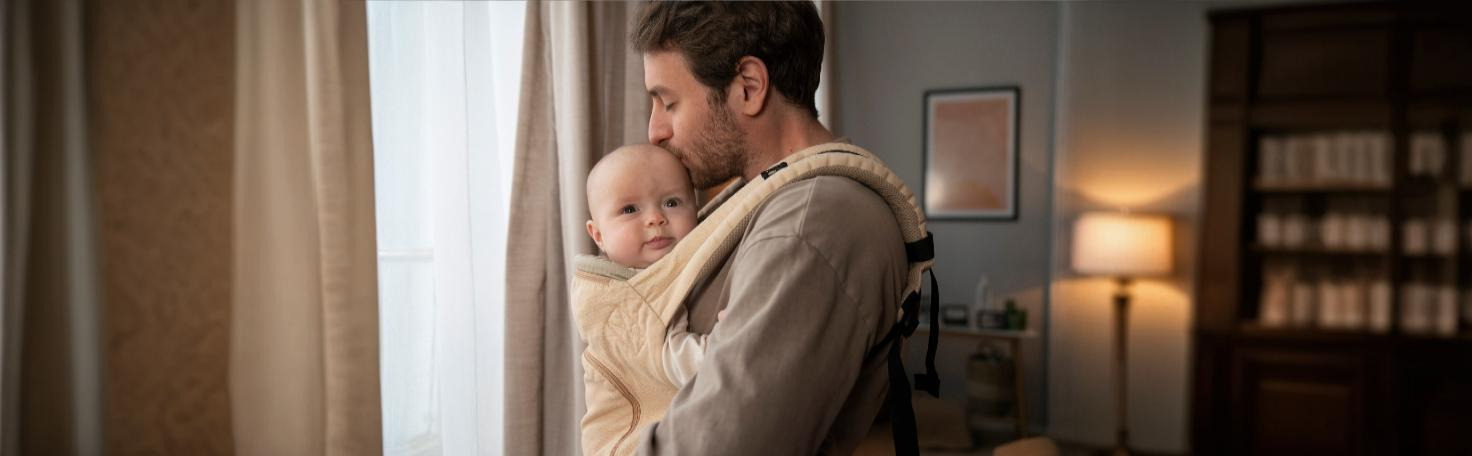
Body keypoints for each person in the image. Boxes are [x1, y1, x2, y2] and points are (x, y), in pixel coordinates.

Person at [631, 2, 925, 454]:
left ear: (749, 86)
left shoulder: (811, 223)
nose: (655, 131)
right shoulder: (778, 201)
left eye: (669, 102)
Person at [582, 144, 717, 387]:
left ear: (696, 212)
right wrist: (728, 338)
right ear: (598, 235)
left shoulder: (664, 273)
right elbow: (682, 364)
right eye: (629, 209)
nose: (656, 218)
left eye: (672, 203)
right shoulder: (626, 297)